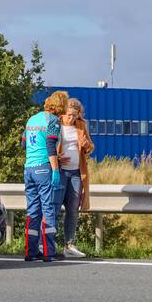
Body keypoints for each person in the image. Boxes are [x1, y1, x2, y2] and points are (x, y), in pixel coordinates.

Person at [22, 91, 68, 262]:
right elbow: (50, 146)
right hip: (43, 168)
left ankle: (31, 251)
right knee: (48, 209)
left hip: (29, 168)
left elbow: (23, 143)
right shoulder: (53, 121)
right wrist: (55, 170)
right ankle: (49, 252)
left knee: (33, 210)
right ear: (60, 105)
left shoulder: (32, 119)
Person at [55, 97, 94, 258]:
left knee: (73, 209)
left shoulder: (81, 126)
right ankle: (48, 244)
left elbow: (90, 147)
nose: (71, 118)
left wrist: (86, 146)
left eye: (75, 115)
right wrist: (57, 158)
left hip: (77, 173)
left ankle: (69, 245)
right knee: (55, 208)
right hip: (60, 171)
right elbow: (48, 147)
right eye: (69, 115)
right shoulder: (56, 125)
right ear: (63, 113)